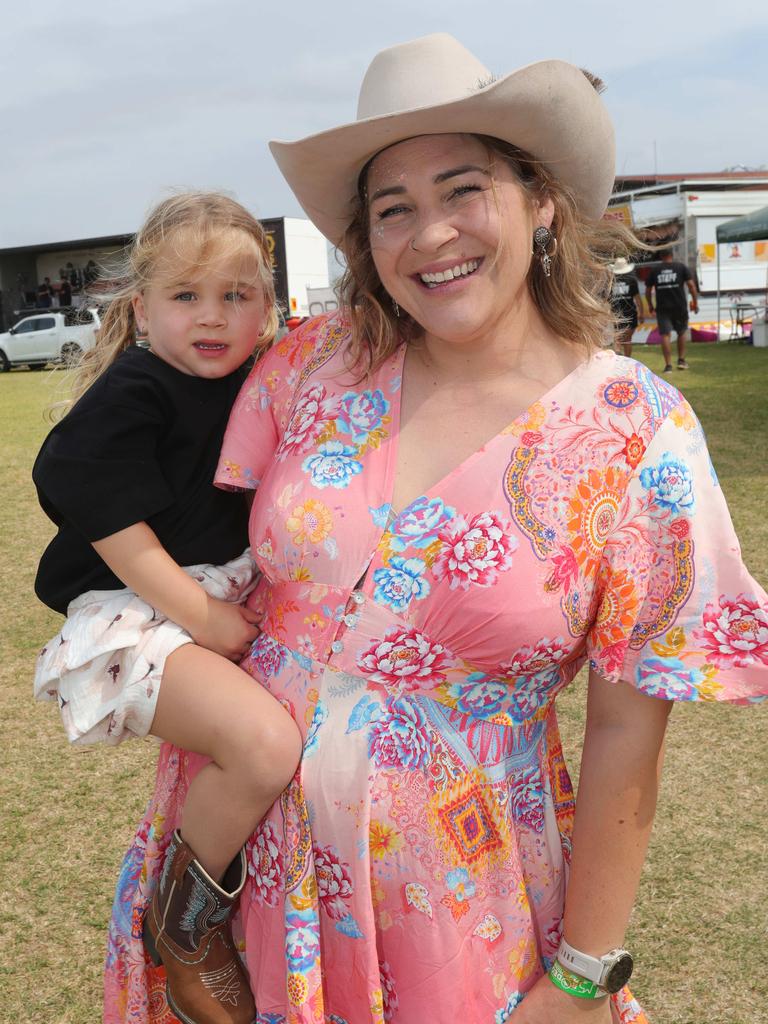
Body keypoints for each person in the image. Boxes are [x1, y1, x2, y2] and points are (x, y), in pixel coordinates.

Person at [105, 35, 768, 1024]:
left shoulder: (635, 433)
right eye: (392, 208)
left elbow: (629, 727)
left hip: (460, 902)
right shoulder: (311, 363)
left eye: (464, 189)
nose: (431, 235)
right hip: (234, 876)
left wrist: (585, 974)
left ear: (540, 199)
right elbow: (145, 445)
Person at [33, 192, 302, 1024]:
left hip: (211, 595)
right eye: (186, 297)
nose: (213, 317)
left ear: (270, 304)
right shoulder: (139, 388)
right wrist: (208, 616)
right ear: (141, 309)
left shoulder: (265, 377)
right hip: (135, 609)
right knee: (263, 747)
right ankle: (185, 929)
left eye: (236, 295)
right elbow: (102, 509)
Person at [645, 249, 699, 372]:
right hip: (679, 306)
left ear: (661, 256)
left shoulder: (655, 270)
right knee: (681, 332)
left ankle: (668, 365)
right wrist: (695, 301)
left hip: (663, 308)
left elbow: (648, 291)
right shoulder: (680, 267)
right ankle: (681, 360)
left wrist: (650, 305)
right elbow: (691, 286)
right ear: (671, 255)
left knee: (665, 335)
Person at [609, 257, 644, 357]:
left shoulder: (611, 281)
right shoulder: (631, 280)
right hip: (630, 313)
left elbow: (607, 300)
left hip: (616, 313)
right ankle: (627, 360)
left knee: (618, 338)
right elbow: (638, 299)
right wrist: (641, 313)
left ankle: (618, 358)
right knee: (627, 340)